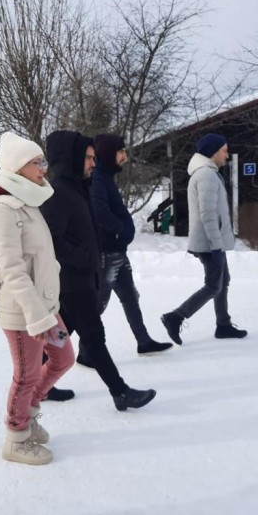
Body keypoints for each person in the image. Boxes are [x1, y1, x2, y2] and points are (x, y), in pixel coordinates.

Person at [40, 129, 156, 411]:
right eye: (88, 157)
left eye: (94, 157)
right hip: (72, 280)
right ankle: (120, 392)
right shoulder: (58, 193)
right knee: (94, 337)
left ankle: (40, 385)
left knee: (60, 336)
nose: (93, 163)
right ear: (72, 158)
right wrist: (83, 258)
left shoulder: (78, 188)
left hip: (82, 278)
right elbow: (51, 241)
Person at [0, 132, 75, 465]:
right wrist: (36, 315)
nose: (43, 168)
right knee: (27, 374)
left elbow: (41, 256)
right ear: (17, 167)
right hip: (23, 314)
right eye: (36, 162)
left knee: (64, 358)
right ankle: (15, 436)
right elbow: (12, 269)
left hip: (46, 308)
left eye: (42, 161)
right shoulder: (3, 209)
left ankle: (29, 413)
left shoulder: (29, 202)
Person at [88, 133, 172, 356]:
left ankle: (143, 341)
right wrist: (120, 230)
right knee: (98, 303)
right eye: (121, 151)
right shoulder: (97, 179)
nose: (125, 156)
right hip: (108, 252)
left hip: (118, 252)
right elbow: (100, 214)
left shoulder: (105, 177)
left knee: (130, 297)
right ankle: (85, 351)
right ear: (108, 153)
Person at [161, 133, 247, 345]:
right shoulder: (206, 175)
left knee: (222, 282)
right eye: (224, 151)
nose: (227, 155)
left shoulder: (208, 173)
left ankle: (223, 325)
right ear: (213, 151)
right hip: (210, 244)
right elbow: (207, 214)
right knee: (213, 286)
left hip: (212, 242)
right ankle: (175, 317)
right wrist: (217, 247)